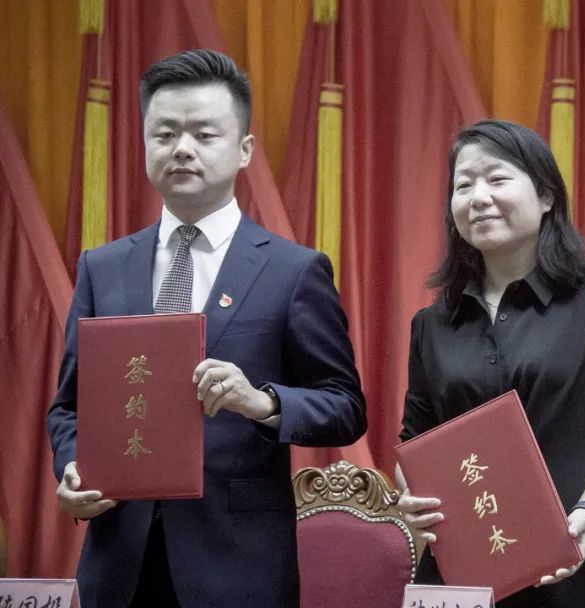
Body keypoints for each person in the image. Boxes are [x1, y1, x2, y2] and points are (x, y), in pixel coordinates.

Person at [46, 49, 366, 608]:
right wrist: (73, 466)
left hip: (237, 566)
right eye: (165, 134)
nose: (182, 148)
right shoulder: (103, 267)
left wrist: (261, 402)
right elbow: (69, 407)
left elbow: (344, 407)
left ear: (244, 149)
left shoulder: (292, 270)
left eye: (203, 134)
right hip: (119, 564)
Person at [395, 119, 585, 607]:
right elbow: (415, 440)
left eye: (497, 179)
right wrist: (411, 497)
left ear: (545, 196)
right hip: (471, 567)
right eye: (463, 185)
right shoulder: (432, 325)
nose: (478, 197)